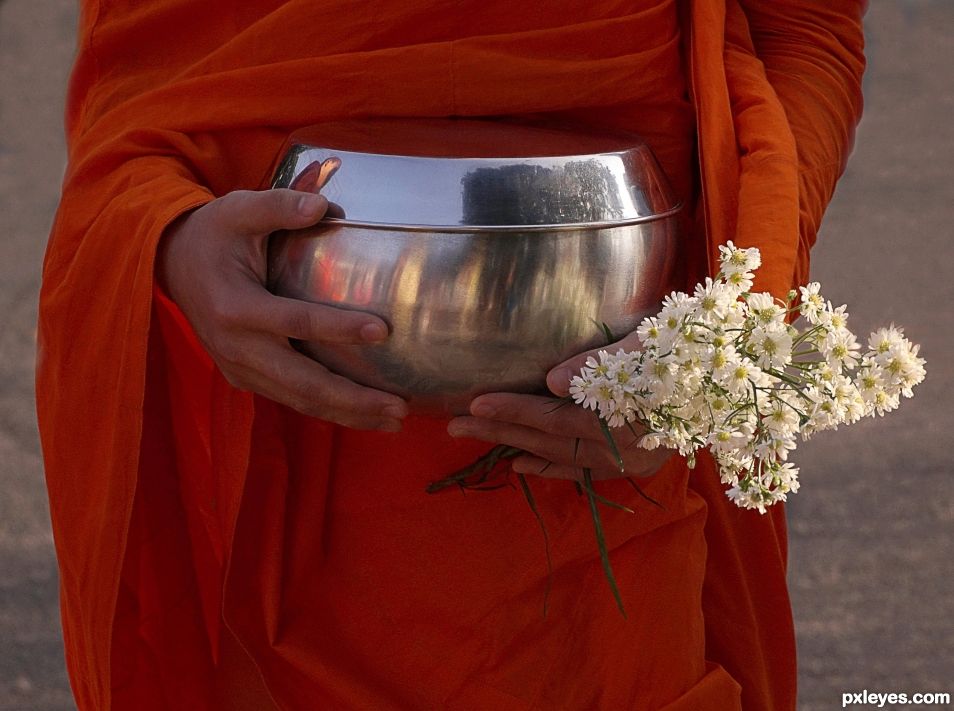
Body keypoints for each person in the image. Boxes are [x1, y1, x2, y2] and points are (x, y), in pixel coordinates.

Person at [37, 1, 865, 709]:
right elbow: (144, 67)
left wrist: (726, 333)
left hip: (606, 416)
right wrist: (166, 234)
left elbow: (804, 27)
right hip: (249, 418)